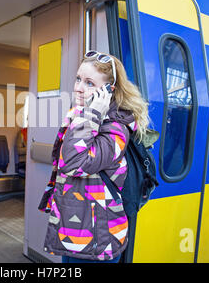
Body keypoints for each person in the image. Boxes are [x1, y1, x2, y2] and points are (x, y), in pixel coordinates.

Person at [38, 51, 149, 263]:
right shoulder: (82, 115)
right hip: (74, 230)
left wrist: (91, 114)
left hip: (97, 239)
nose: (79, 87)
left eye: (89, 83)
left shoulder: (116, 128)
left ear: (109, 90)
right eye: (78, 79)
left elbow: (73, 163)